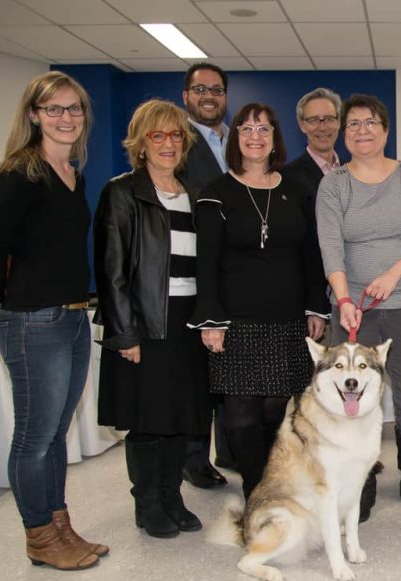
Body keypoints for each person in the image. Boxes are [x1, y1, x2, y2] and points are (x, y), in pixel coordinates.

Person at [0, 71, 104, 570]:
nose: (66, 118)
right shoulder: (18, 174)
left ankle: (59, 525)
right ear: (34, 115)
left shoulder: (72, 173)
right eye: (54, 109)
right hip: (31, 321)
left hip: (72, 317)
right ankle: (39, 536)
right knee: (34, 437)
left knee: (54, 434)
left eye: (74, 109)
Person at [188, 103, 328, 499]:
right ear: (236, 139)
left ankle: (271, 478)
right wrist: (211, 320)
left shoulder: (296, 190)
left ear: (274, 138)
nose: (255, 136)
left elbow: (310, 255)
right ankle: (254, 487)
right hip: (236, 322)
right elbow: (207, 262)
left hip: (286, 319)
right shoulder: (216, 192)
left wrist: (315, 307)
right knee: (241, 413)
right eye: (247, 129)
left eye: (263, 129)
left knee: (274, 409)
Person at [317, 94, 401, 518]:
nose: (362, 130)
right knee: (354, 395)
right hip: (353, 311)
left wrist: (393, 275)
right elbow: (330, 247)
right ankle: (362, 482)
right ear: (343, 133)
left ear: (385, 130)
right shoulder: (334, 183)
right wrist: (345, 299)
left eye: (371, 122)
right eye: (353, 124)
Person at [95, 99, 211, 539]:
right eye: (157, 135)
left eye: (175, 135)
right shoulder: (123, 192)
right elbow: (111, 271)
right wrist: (125, 333)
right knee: (147, 420)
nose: (167, 143)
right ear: (141, 143)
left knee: (181, 416)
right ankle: (148, 503)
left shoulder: (193, 195)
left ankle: (172, 496)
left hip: (187, 322)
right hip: (145, 323)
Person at [180, 62, 232, 489]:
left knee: (229, 369)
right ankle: (194, 458)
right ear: (186, 96)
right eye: (200, 89)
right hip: (196, 271)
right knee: (197, 376)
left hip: (237, 273)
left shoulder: (238, 140)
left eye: (216, 89)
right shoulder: (178, 142)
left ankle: (230, 449)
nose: (208, 96)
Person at [284, 87, 343, 196]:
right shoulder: (287, 177)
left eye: (329, 119)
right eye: (314, 120)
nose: (322, 128)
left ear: (338, 122)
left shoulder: (353, 171)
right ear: (302, 125)